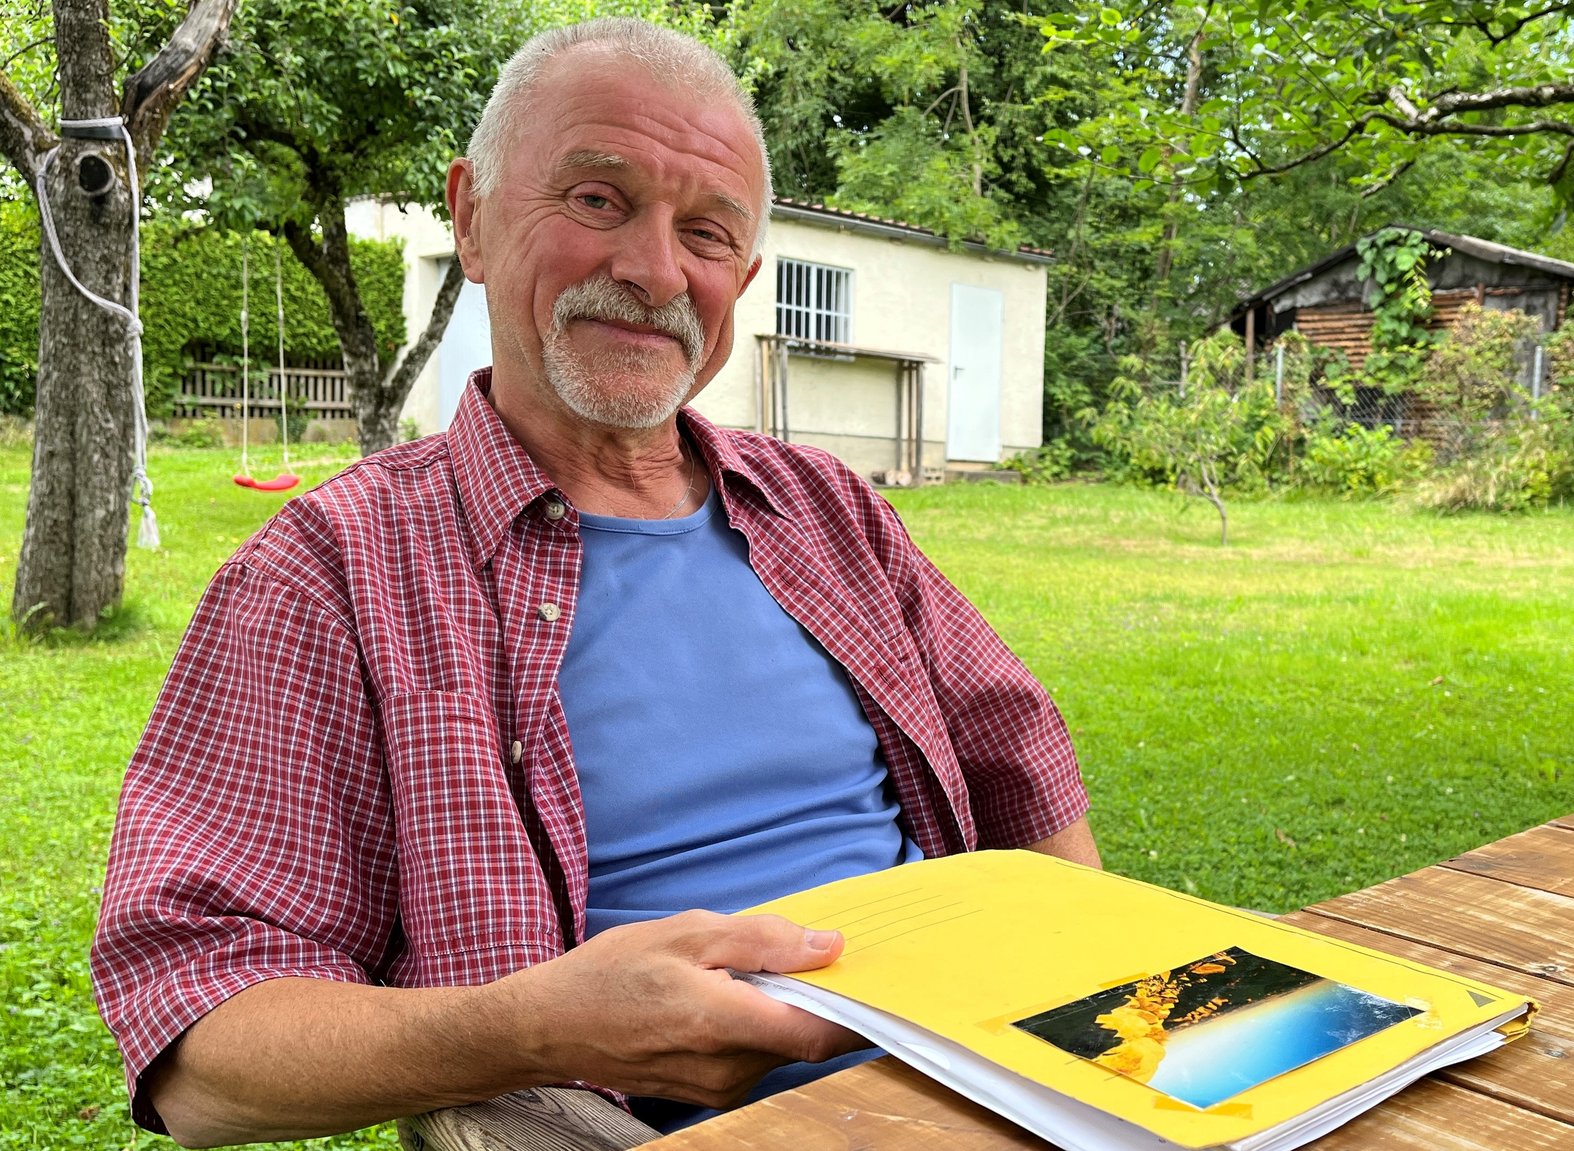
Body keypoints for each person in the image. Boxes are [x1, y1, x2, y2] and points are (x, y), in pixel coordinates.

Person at [90, 17, 1097, 1149]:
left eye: (706, 233)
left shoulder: (829, 508)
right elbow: (198, 1050)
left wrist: (1097, 1040)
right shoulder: (327, 574)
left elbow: (1023, 767)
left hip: (981, 1082)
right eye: (597, 201)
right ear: (470, 217)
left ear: (743, 277)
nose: (654, 270)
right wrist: (529, 1031)